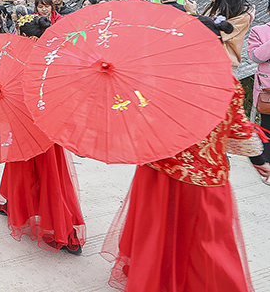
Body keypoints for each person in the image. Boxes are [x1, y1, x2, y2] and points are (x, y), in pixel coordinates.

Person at [101, 63, 261, 291]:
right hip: (204, 176)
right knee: (205, 244)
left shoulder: (160, 76)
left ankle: (153, 279)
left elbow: (138, 115)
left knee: (156, 232)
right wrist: (258, 159)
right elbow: (238, 131)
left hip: (157, 169)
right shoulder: (229, 84)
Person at [0, 14, 86, 255]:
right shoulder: (56, 58)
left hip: (24, 123)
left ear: (26, 37)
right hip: (48, 123)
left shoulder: (19, 59)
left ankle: (22, 209)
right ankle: (61, 227)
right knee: (52, 173)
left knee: (24, 167)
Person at [186, 0, 254, 77]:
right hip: (204, 62)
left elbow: (214, 34)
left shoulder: (243, 14)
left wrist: (193, 14)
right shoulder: (214, 6)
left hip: (224, 67)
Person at [246, 0, 270, 184]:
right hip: (267, 89)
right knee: (267, 128)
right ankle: (267, 165)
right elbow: (255, 56)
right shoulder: (259, 31)